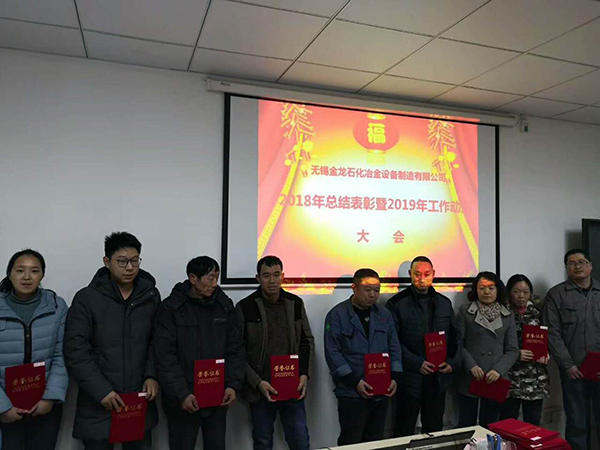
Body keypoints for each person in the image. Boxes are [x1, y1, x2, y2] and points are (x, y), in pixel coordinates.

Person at [64, 232, 160, 450]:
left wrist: (152, 375)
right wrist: (101, 390)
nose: (130, 268)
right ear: (106, 261)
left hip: (138, 399)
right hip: (99, 402)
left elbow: (157, 342)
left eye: (135, 261)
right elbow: (76, 350)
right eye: (122, 261)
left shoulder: (150, 296)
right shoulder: (86, 298)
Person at [153, 256, 245, 450]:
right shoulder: (171, 308)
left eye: (217, 277)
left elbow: (235, 348)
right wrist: (182, 393)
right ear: (193, 278)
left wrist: (232, 385)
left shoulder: (224, 305)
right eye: (210, 278)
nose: (215, 283)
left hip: (217, 396)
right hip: (183, 399)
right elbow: (164, 357)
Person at [236, 256, 314, 450]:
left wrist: (304, 374)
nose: (272, 280)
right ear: (258, 278)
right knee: (263, 441)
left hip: (292, 384)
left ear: (283, 276)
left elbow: (306, 341)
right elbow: (237, 351)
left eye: (276, 275)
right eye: (266, 276)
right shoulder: (245, 307)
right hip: (261, 387)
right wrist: (257, 382)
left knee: (300, 440)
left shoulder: (295, 303)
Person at [324, 268, 401, 446]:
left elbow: (394, 347)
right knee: (352, 441)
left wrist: (395, 377)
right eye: (367, 290)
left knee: (375, 442)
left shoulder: (384, 314)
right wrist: (354, 381)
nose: (372, 295)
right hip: (351, 392)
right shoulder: (337, 315)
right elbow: (333, 353)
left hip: (380, 391)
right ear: (354, 288)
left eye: (376, 290)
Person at [0, 249, 68, 450]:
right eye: (20, 270)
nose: (27, 277)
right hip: (5, 407)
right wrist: (3, 407)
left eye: (34, 271)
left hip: (45, 406)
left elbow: (62, 355)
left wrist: (50, 398)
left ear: (42, 275)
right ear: (9, 273)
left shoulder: (56, 306)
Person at [386, 256, 461, 437]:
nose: (421, 278)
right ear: (410, 274)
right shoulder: (396, 303)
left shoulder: (444, 303)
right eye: (417, 274)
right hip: (410, 378)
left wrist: (451, 362)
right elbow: (392, 342)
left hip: (438, 378)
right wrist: (416, 363)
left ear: (433, 274)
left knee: (434, 431)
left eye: (426, 274)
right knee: (404, 430)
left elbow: (455, 337)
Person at [543, 249, 600, 450]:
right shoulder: (556, 295)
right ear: (567, 268)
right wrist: (568, 365)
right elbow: (552, 333)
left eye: (582, 262)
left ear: (590, 265)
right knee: (576, 421)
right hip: (573, 370)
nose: (577, 266)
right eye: (572, 263)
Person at [456, 271, 519, 428]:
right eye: (482, 288)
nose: (486, 292)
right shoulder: (465, 311)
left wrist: (498, 370)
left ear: (498, 290)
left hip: (495, 378)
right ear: (475, 290)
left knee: (490, 425)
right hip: (471, 376)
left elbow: (513, 350)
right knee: (466, 424)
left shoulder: (507, 315)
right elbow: (457, 343)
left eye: (491, 288)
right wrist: (471, 365)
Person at [500, 274, 549, 425]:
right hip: (510, 377)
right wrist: (515, 354)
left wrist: (546, 353)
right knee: (508, 422)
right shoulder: (501, 312)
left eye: (526, 292)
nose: (521, 296)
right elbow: (493, 343)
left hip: (535, 378)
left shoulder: (539, 312)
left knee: (533, 422)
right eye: (516, 291)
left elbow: (550, 337)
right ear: (509, 292)